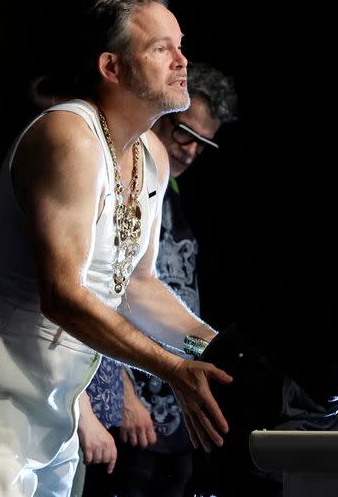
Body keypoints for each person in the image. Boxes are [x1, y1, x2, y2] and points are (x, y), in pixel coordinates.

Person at [0, 0, 232, 497]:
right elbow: (61, 295)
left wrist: (215, 351)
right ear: (113, 67)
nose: (181, 60)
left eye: (181, 45)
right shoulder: (69, 136)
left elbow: (136, 287)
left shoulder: (152, 152)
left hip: (56, 393)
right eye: (160, 48)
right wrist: (173, 368)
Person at [77, 62, 238, 496]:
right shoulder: (104, 165)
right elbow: (90, 291)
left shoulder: (168, 185)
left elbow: (143, 287)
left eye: (204, 144)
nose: (190, 150)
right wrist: (122, 392)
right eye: (185, 133)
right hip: (122, 398)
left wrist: (215, 348)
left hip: (173, 397)